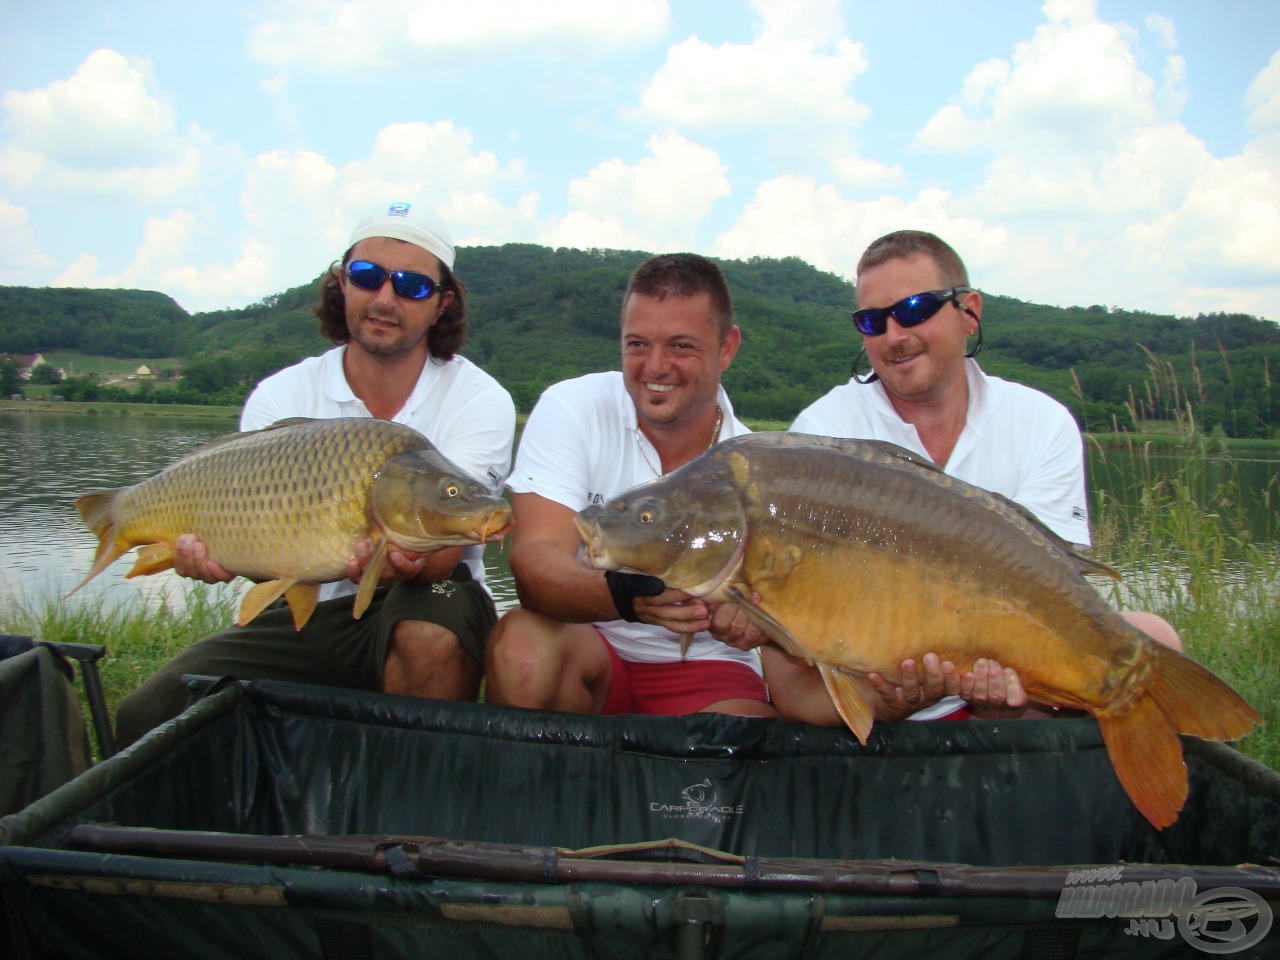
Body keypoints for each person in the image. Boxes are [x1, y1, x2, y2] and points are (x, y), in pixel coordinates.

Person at [114, 198, 516, 747]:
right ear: (341, 283)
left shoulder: (477, 398)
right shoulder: (281, 395)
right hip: (306, 609)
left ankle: (407, 807)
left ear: (442, 303)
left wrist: (392, 557)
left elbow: (448, 542)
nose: (385, 298)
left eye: (411, 286)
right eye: (367, 276)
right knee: (151, 710)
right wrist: (218, 556)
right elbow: (264, 559)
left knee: (428, 631)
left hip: (430, 595)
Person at [775, 228, 1180, 724]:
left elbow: (1054, 584)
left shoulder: (1041, 422)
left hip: (1003, 661)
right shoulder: (822, 434)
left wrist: (999, 666)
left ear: (969, 312)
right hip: (874, 675)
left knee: (1154, 640)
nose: (895, 336)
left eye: (915, 309)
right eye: (872, 321)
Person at [484, 253, 777, 718]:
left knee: (740, 757)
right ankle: (542, 787)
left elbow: (789, 602)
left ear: (726, 347)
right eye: (637, 344)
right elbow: (533, 565)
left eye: (681, 346)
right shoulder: (573, 408)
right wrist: (626, 597)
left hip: (707, 663)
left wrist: (756, 621)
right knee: (523, 649)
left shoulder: (758, 465)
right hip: (591, 643)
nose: (654, 366)